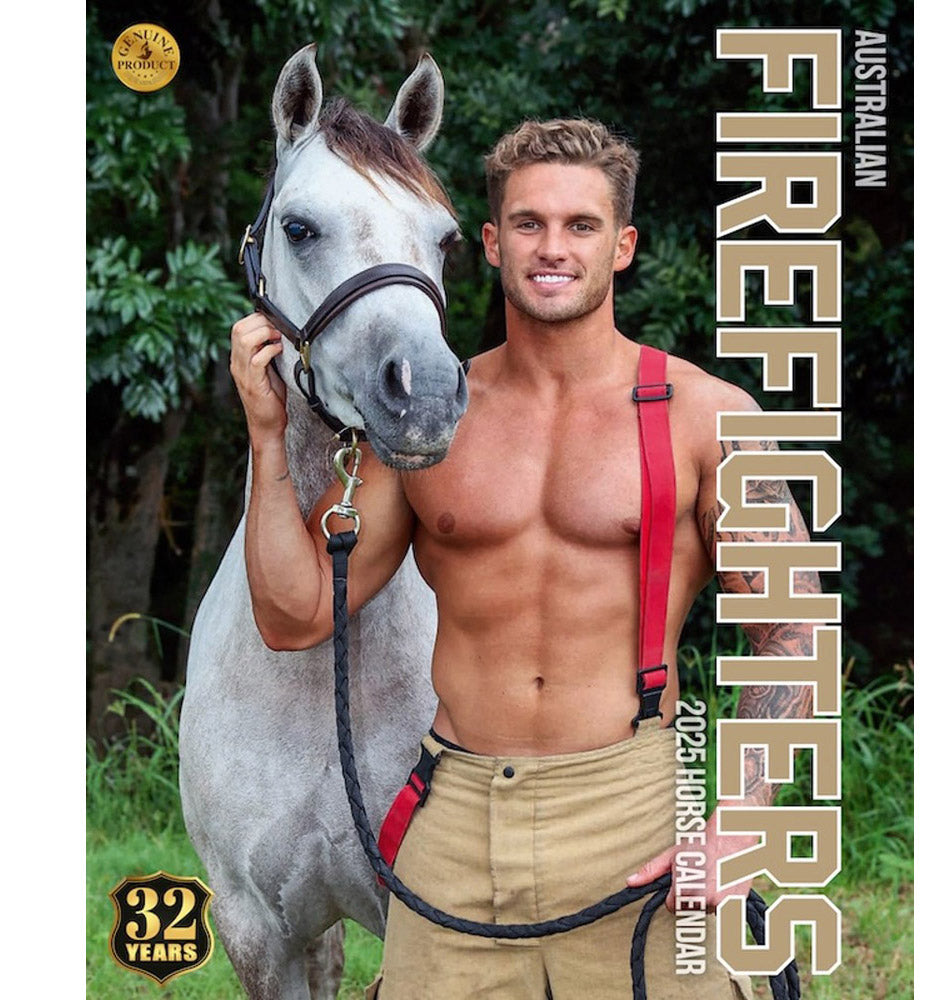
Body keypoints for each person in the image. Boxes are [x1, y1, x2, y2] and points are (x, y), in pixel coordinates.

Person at [230, 118, 817, 999]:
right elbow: (294, 615)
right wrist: (267, 434)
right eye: (529, 223)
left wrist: (740, 819)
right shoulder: (432, 420)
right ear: (493, 243)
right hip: (457, 820)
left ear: (622, 246)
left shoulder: (706, 415)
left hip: (635, 813)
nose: (553, 248)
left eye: (581, 225)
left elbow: (794, 631)